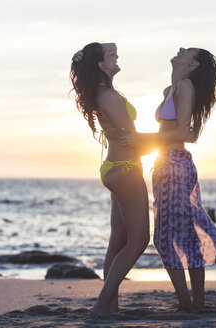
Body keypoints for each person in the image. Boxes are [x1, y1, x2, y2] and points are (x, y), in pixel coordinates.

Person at [119, 47, 216, 312]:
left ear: (193, 63)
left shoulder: (187, 86)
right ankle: (194, 305)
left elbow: (183, 131)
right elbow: (173, 132)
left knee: (169, 237)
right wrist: (141, 147)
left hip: (175, 166)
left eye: (187, 50)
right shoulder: (171, 90)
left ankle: (189, 305)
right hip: (165, 164)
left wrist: (140, 139)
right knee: (179, 235)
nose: (180, 49)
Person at [70, 42, 150, 315]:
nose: (116, 56)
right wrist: (172, 140)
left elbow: (129, 138)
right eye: (111, 56)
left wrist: (103, 52)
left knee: (118, 241)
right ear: (100, 65)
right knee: (139, 241)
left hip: (116, 168)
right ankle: (102, 304)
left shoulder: (106, 92)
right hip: (126, 169)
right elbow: (134, 140)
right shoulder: (108, 96)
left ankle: (110, 307)